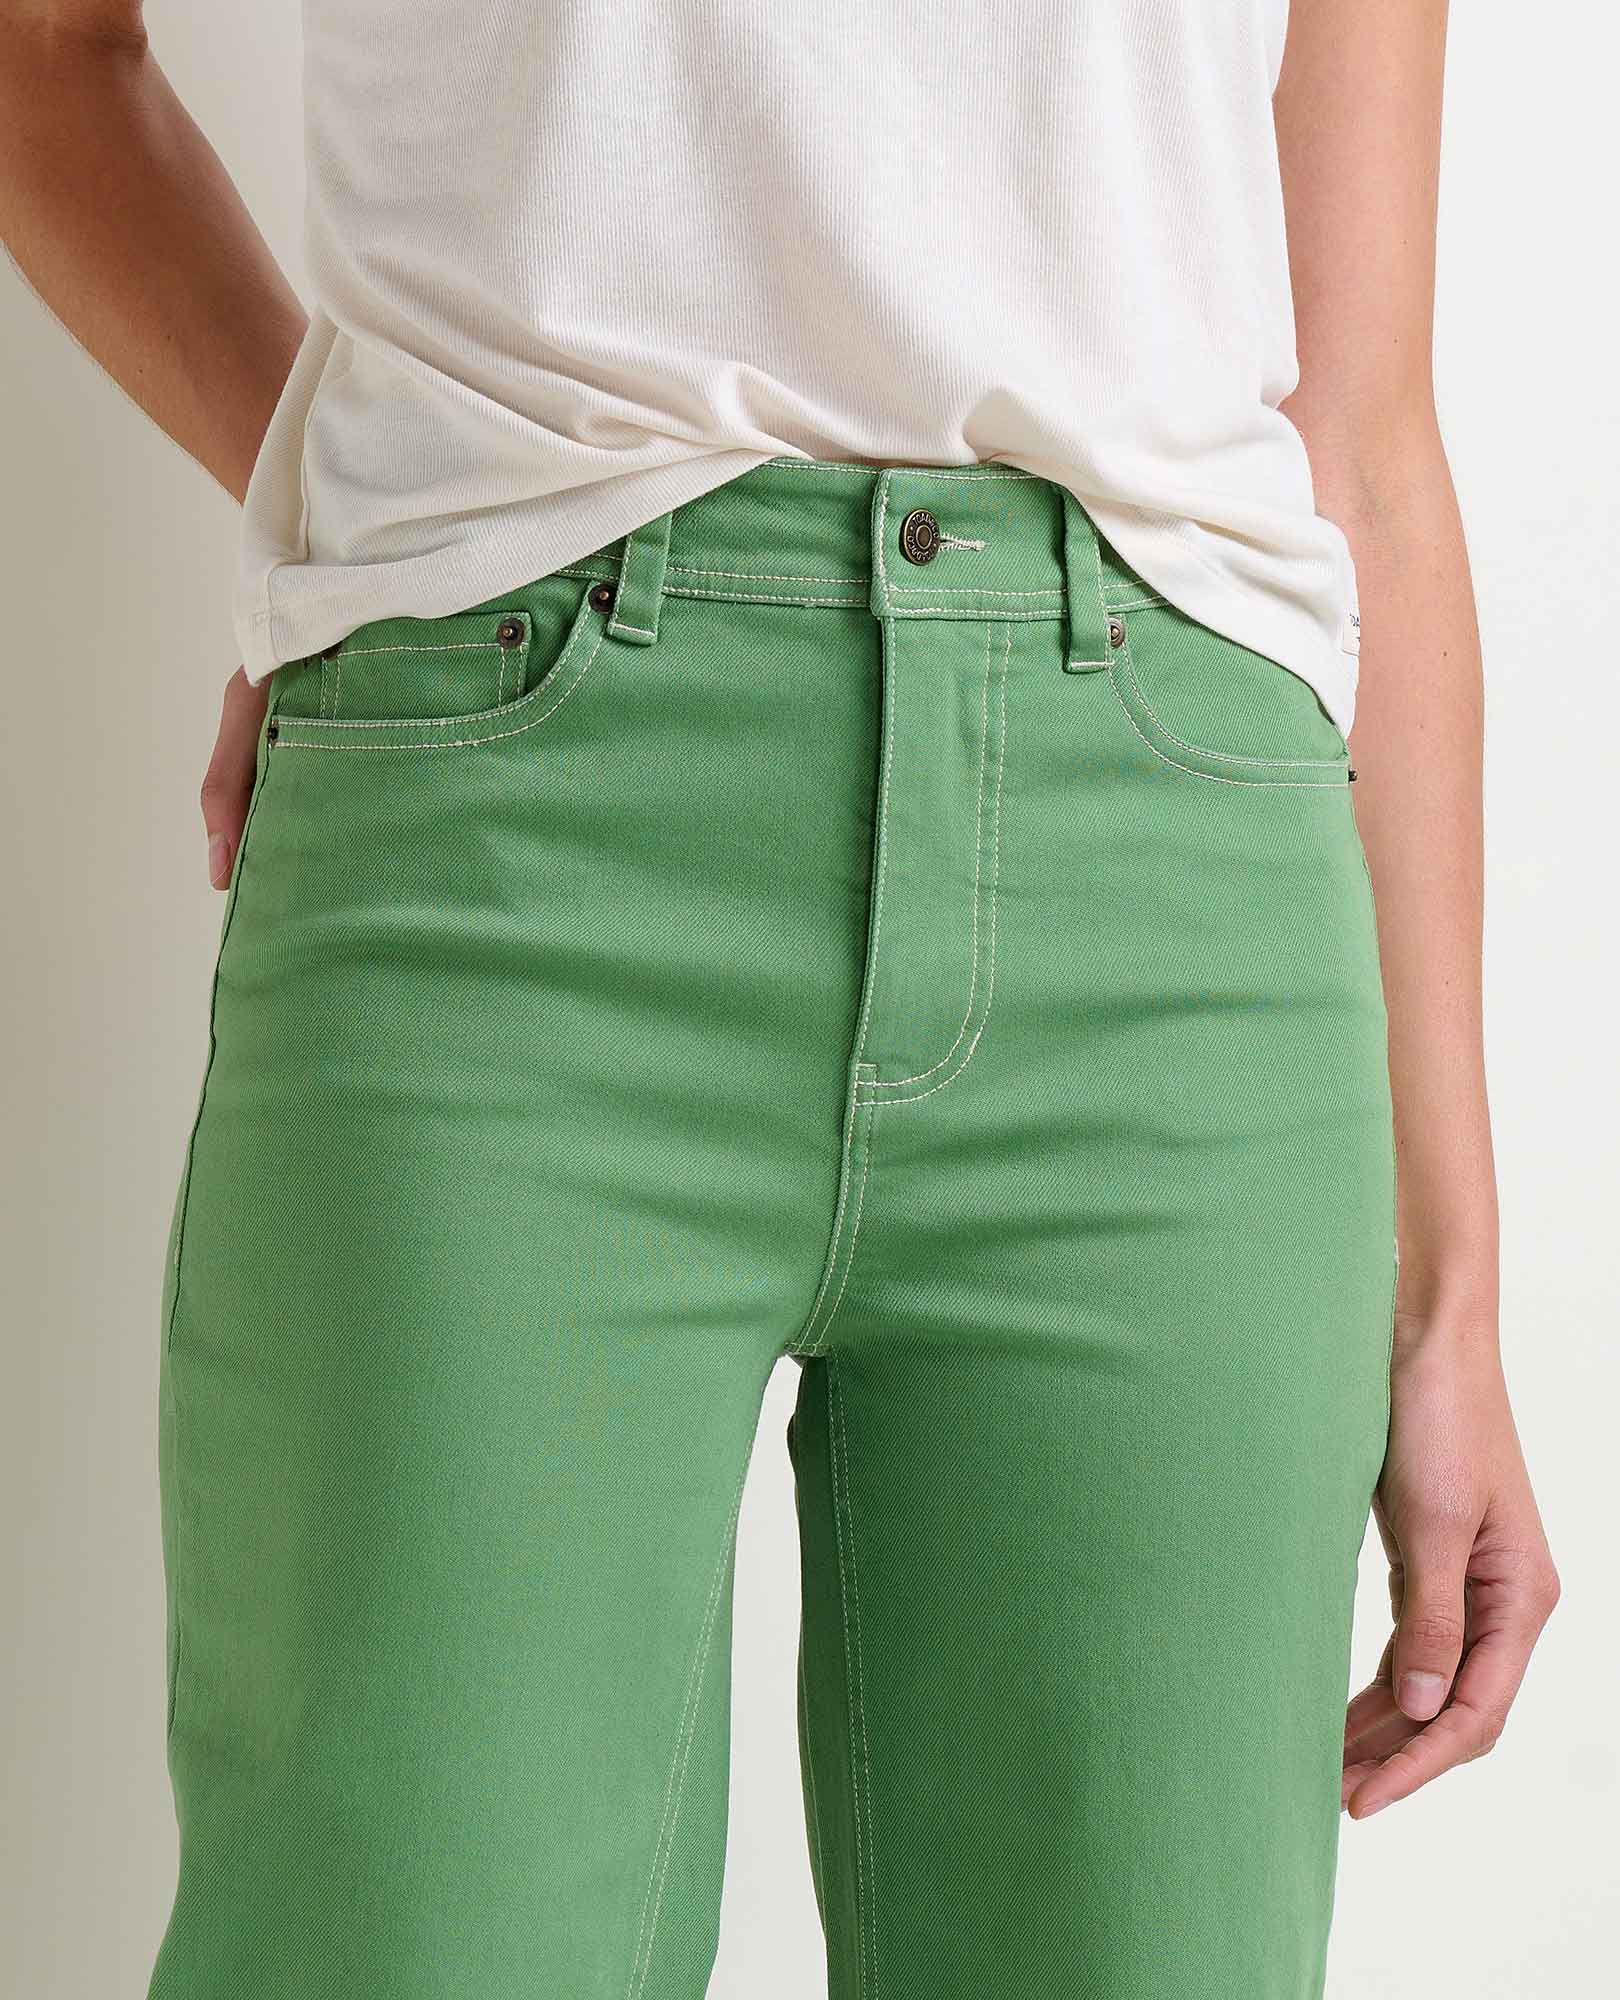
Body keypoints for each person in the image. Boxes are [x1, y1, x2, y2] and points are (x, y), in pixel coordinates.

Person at [0, 3, 1561, 1996]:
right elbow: (46, 52)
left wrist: (1451, 1295)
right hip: (512, 855)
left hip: (1178, 903)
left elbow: (1366, 435)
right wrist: (353, 522)